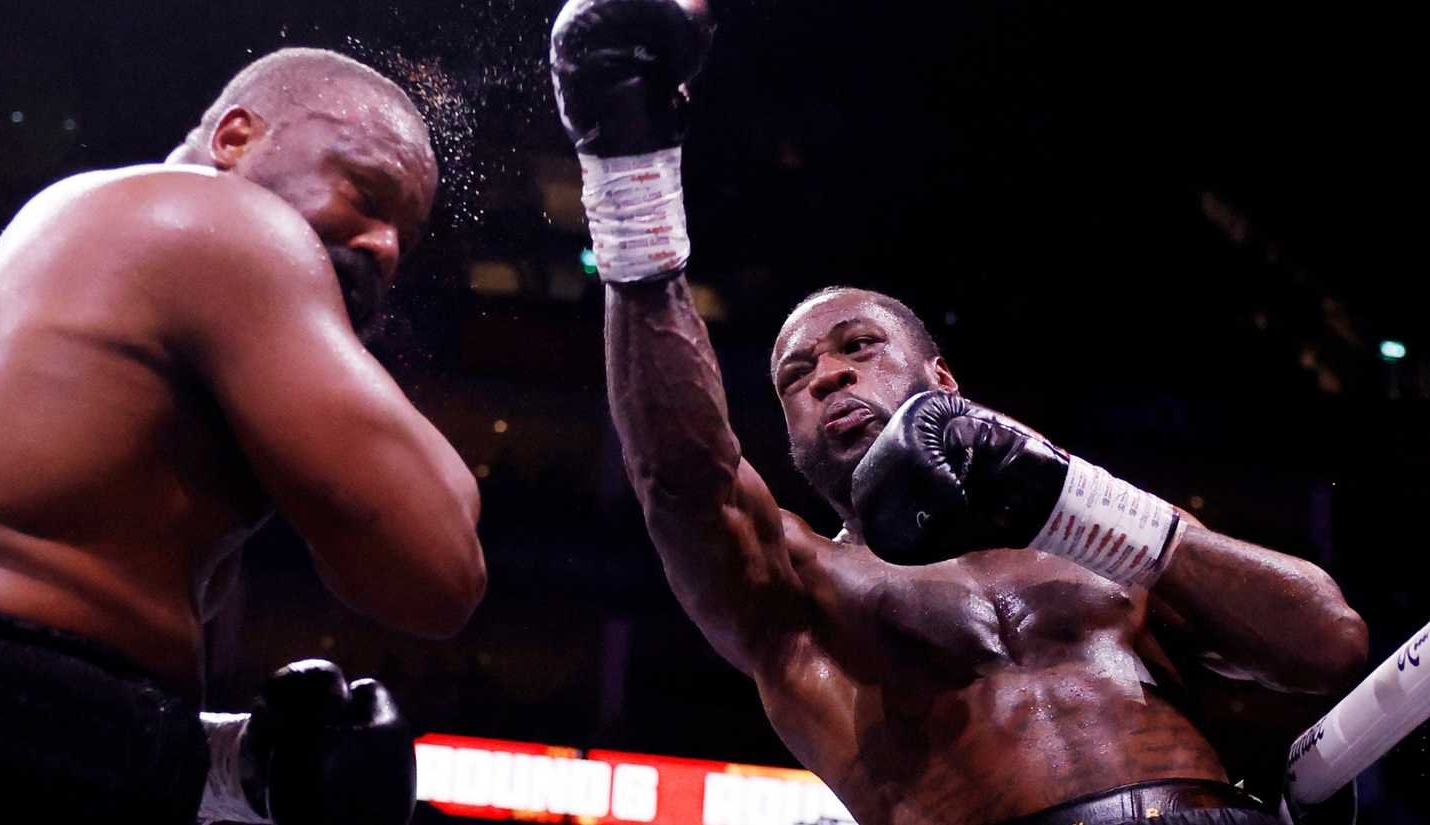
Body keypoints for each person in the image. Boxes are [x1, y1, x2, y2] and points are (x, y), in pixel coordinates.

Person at [549, 1, 1369, 822]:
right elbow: (684, 479)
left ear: (942, 380)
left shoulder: (1103, 551)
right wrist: (631, 179)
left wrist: (1067, 496)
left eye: (858, 346)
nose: (828, 375)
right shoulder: (804, 589)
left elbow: (1329, 642)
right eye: (797, 375)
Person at [0, 47, 485, 824]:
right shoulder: (224, 222)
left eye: (405, 238)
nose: (385, 246)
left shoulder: (87, 236)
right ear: (236, 138)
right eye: (366, 192)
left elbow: (24, 676)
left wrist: (230, 765)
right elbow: (436, 565)